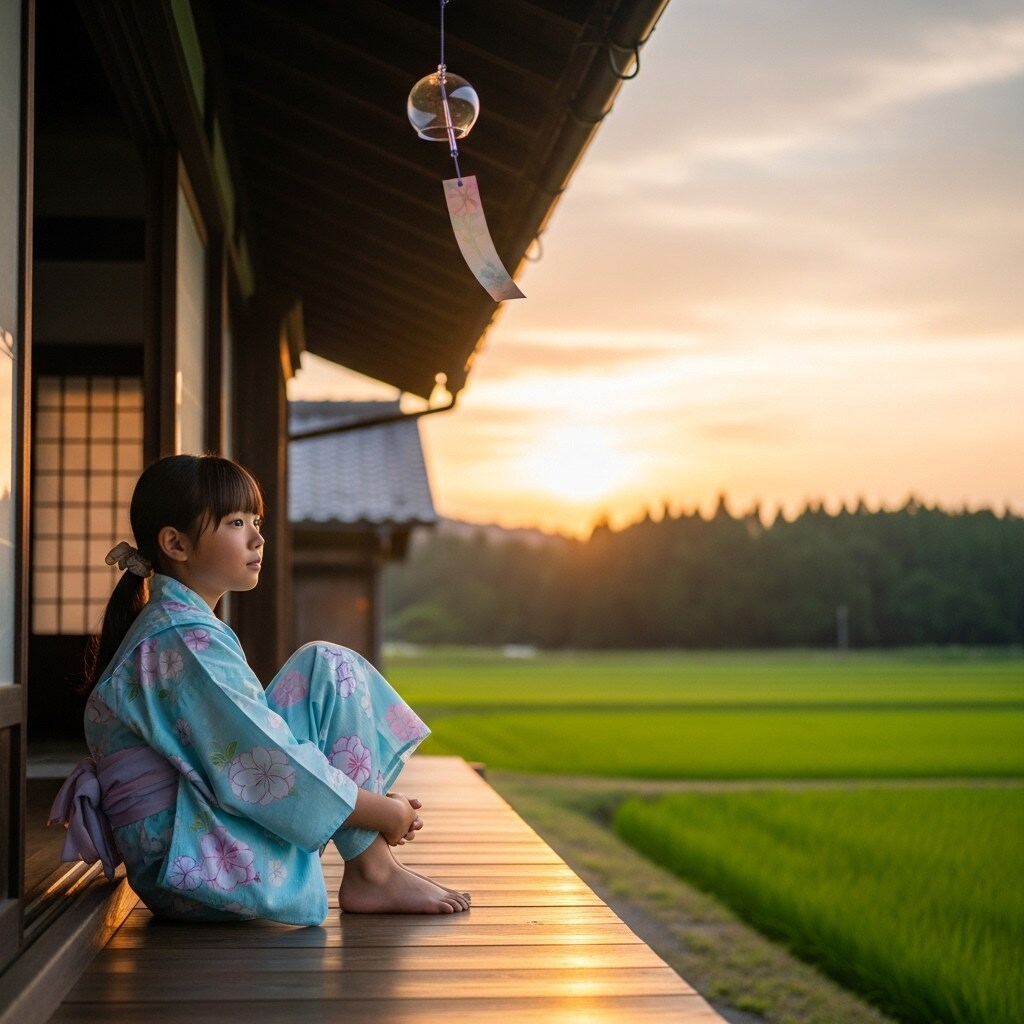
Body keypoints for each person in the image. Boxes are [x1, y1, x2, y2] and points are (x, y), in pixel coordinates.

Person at [49, 453, 469, 925]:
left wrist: (377, 809)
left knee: (325, 667)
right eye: (235, 522)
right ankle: (374, 870)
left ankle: (373, 869)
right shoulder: (181, 639)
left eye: (256, 520)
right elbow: (262, 760)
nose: (257, 537)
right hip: (196, 863)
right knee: (326, 670)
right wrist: (382, 812)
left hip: (190, 848)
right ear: (176, 543)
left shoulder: (178, 629)